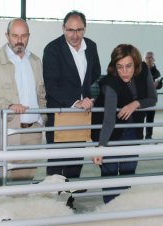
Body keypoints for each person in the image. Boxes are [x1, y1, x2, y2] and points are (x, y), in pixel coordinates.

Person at [0, 18, 46, 182]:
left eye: (23, 36)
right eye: (15, 36)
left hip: (32, 132)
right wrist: (8, 106)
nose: (19, 41)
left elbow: (41, 94)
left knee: (24, 181)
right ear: (7, 35)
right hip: (4, 131)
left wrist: (41, 119)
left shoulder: (36, 61)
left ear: (29, 36)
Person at [91, 44, 157, 203]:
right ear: (115, 66)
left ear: (136, 63)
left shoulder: (143, 70)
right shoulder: (110, 82)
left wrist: (135, 104)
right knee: (110, 174)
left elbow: (152, 99)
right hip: (109, 131)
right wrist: (101, 147)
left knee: (128, 173)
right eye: (119, 67)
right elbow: (109, 119)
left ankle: (124, 212)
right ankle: (109, 211)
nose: (124, 72)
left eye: (128, 66)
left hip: (133, 129)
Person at [42, 10, 101, 181]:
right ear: (63, 28)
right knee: (57, 161)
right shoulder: (52, 49)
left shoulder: (91, 46)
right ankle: (52, 203)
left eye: (79, 30)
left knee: (76, 159)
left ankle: (69, 200)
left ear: (85, 29)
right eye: (70, 30)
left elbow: (95, 71)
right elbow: (51, 85)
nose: (75, 35)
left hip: (83, 113)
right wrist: (76, 100)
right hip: (61, 112)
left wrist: (85, 94)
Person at [144, 51, 162, 139]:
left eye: (151, 57)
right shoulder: (141, 70)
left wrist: (157, 85)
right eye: (147, 57)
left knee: (150, 119)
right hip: (141, 99)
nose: (149, 59)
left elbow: (160, 85)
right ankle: (138, 136)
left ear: (154, 59)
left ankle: (148, 136)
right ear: (144, 59)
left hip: (151, 100)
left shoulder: (157, 72)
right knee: (139, 118)